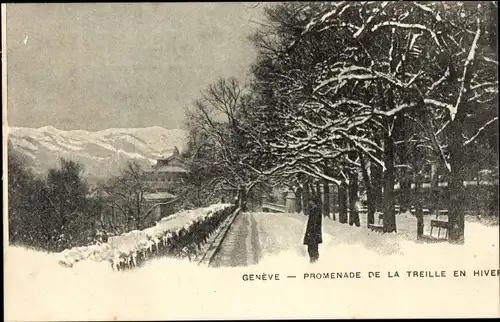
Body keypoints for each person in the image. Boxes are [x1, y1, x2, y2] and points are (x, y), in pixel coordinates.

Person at [303, 197, 322, 263]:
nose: (309, 203)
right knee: (310, 248)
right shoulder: (313, 210)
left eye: (310, 201)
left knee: (313, 248)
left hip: (313, 233)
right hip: (312, 233)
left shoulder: (316, 210)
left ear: (313, 202)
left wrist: (311, 232)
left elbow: (315, 223)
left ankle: (314, 262)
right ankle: (313, 261)